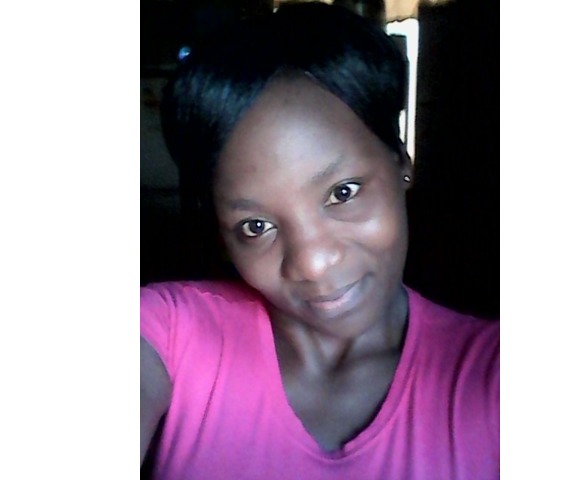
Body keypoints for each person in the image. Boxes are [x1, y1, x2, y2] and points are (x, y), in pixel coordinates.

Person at [141, 3, 499, 479]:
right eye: (256, 226)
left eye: (342, 193)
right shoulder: (169, 333)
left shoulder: (490, 377)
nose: (311, 262)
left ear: (400, 161)